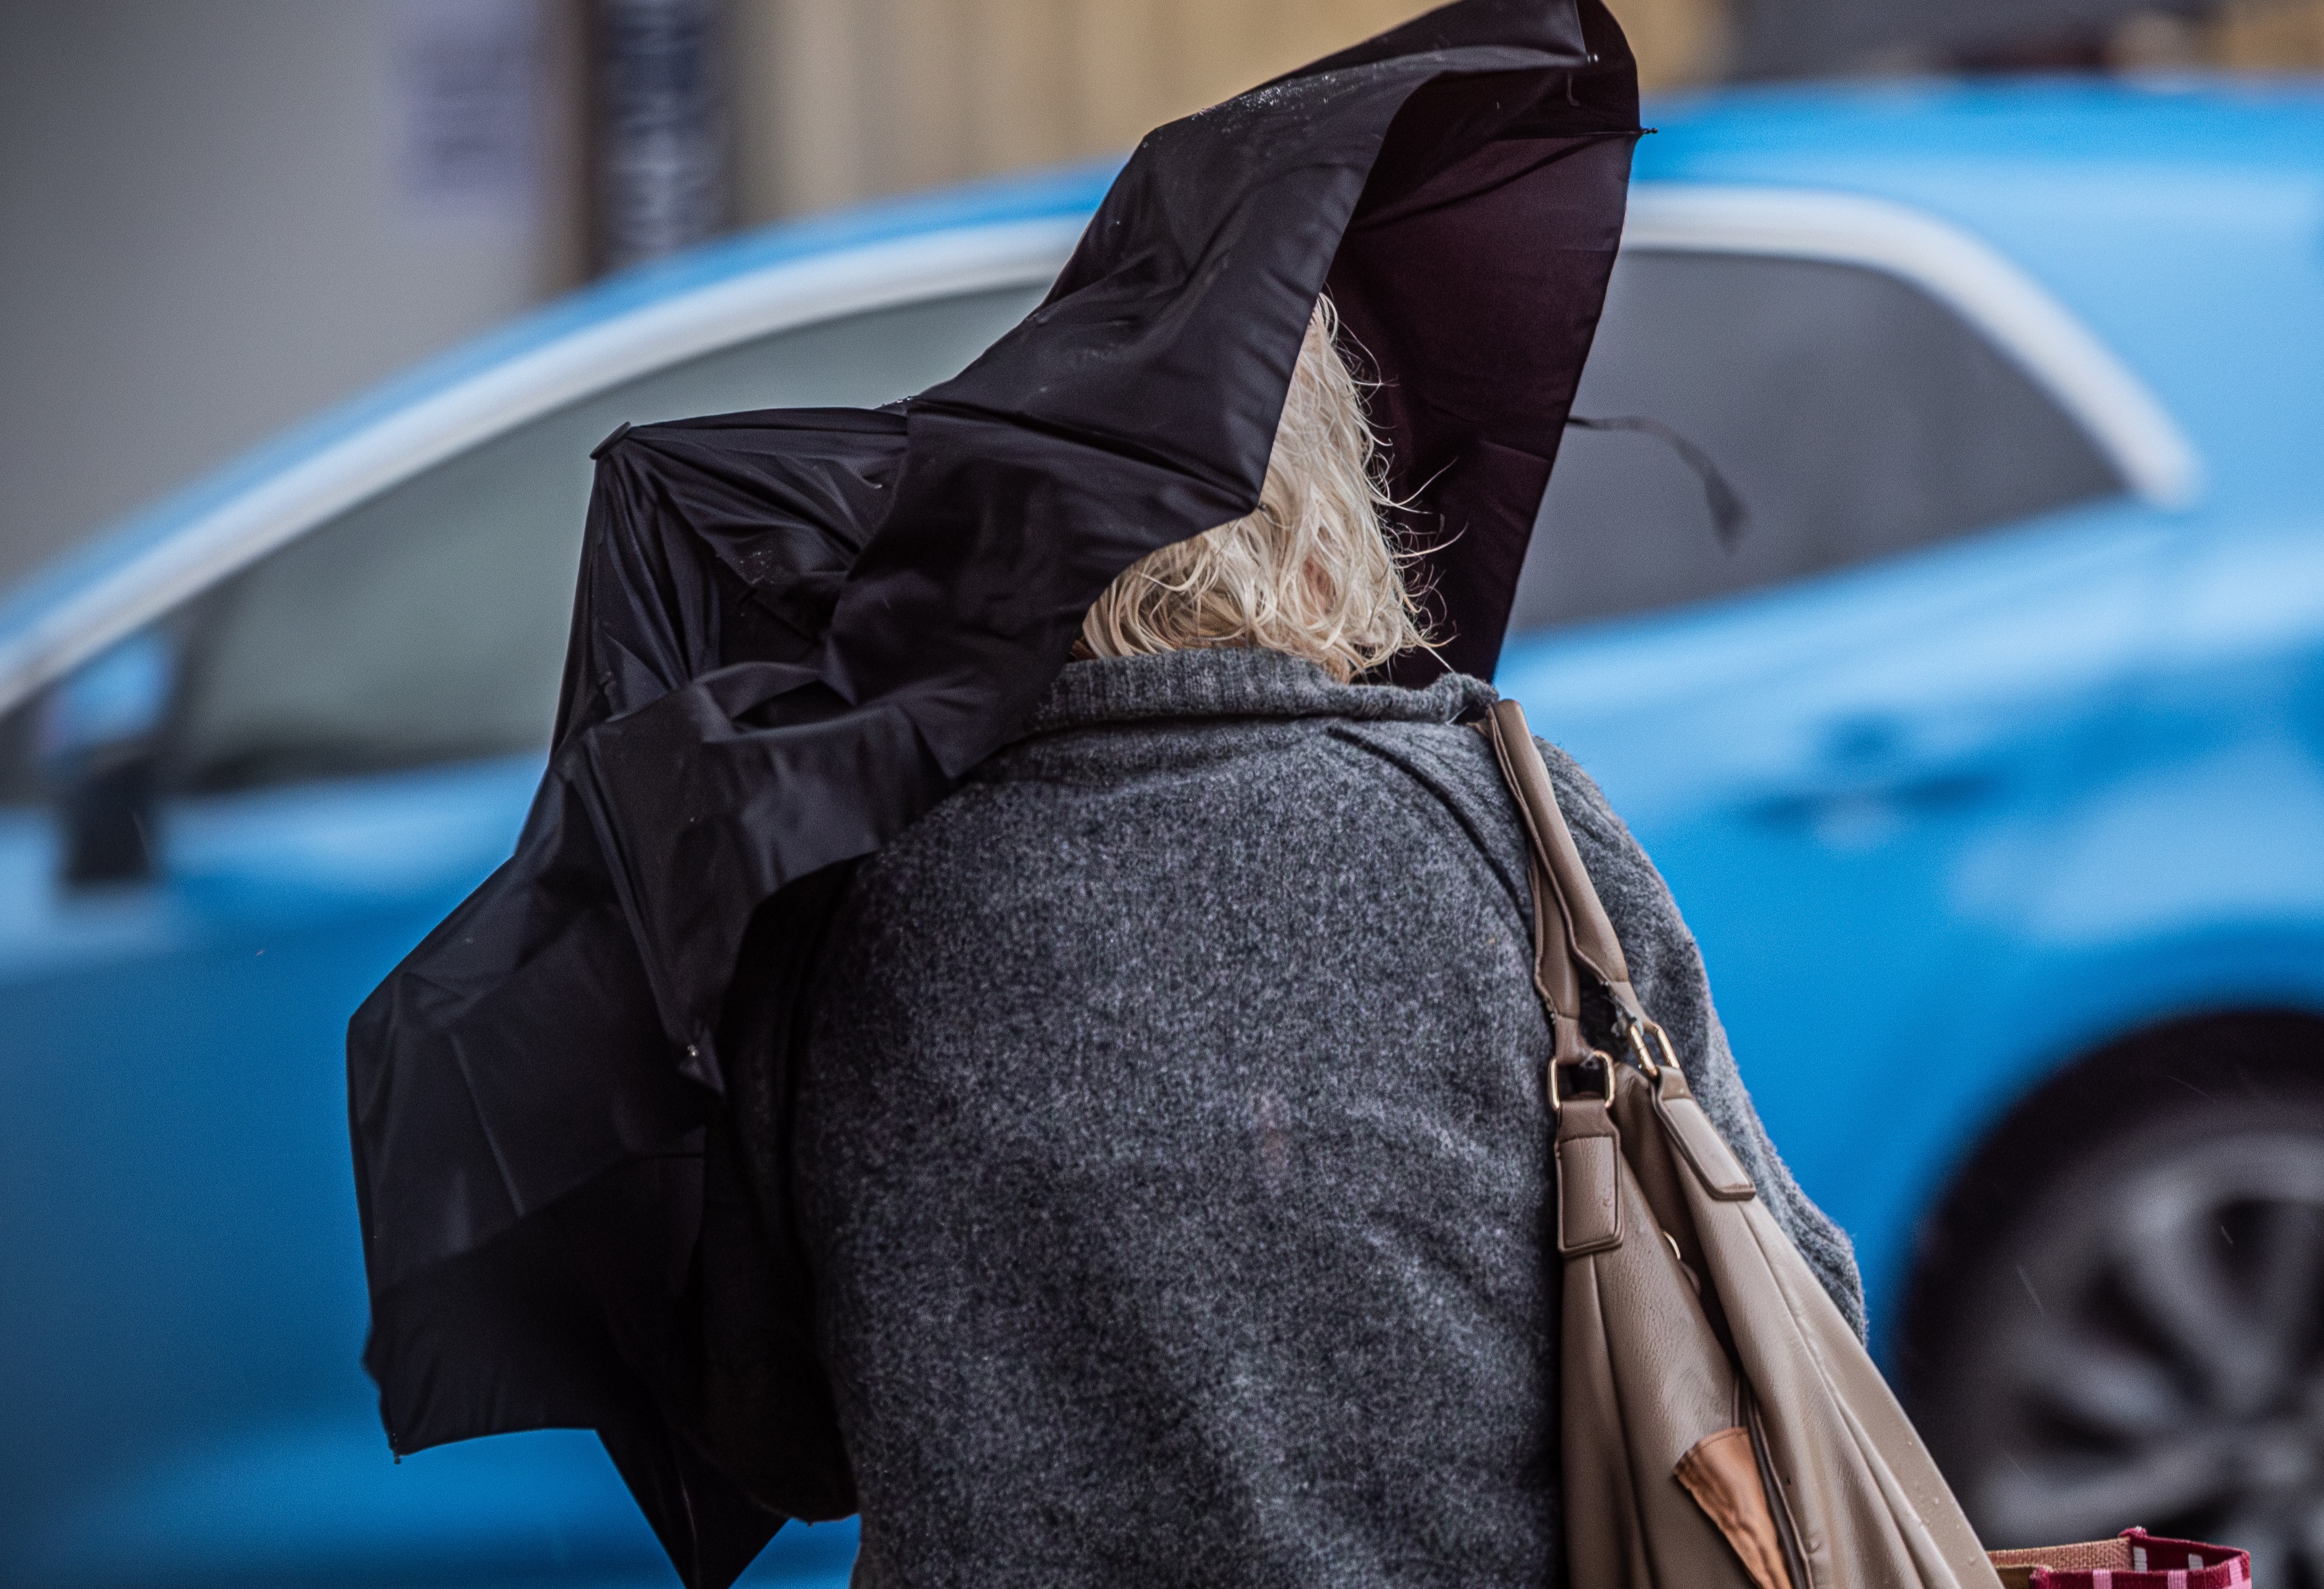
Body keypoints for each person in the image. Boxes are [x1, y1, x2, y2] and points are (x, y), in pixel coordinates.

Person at [789, 295, 1862, 1587]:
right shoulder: (1504, 828)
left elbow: (813, 1405)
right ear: (1321, 549)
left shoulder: (863, 901)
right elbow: (1794, 1308)